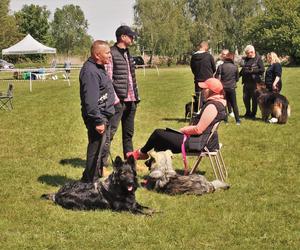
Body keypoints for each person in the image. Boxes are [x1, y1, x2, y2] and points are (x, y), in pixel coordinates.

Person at [127, 78, 226, 160]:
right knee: (162, 140)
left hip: (198, 143)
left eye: (205, 88)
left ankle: (142, 153)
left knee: (158, 134)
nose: (202, 91)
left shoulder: (212, 107)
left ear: (212, 91)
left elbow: (198, 129)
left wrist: (183, 130)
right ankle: (156, 171)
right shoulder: (218, 104)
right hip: (202, 141)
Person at [102, 25, 140, 164]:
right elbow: (108, 80)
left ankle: (129, 162)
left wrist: (136, 97)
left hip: (131, 100)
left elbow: (130, 78)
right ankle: (102, 165)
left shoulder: (127, 53)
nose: (133, 38)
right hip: (118, 101)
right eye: (131, 36)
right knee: (109, 133)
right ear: (123, 37)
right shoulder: (111, 54)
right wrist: (116, 100)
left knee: (128, 134)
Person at [79, 40, 115, 183]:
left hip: (104, 115)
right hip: (97, 118)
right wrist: (98, 121)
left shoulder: (99, 67)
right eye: (107, 53)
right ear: (97, 54)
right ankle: (89, 183)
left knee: (99, 151)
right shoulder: (90, 72)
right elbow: (90, 101)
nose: (110, 56)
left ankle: (91, 178)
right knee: (95, 152)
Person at [239, 45, 264, 119]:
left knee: (254, 99)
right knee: (245, 98)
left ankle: (253, 114)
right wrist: (237, 77)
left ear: (252, 52)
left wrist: (253, 70)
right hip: (246, 82)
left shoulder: (258, 59)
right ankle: (247, 112)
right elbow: (243, 70)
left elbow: (262, 69)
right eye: (246, 53)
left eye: (248, 53)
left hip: (255, 83)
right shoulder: (246, 59)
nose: (247, 54)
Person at [215, 52, 241, 125]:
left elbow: (216, 77)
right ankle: (238, 121)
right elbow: (237, 79)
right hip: (232, 87)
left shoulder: (221, 66)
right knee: (234, 104)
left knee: (224, 104)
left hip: (223, 88)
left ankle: (226, 121)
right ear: (232, 58)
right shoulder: (235, 67)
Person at [190, 41, 216, 112]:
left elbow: (192, 68)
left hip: (198, 80)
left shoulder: (193, 57)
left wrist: (197, 74)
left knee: (198, 97)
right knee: (207, 97)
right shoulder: (209, 56)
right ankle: (207, 112)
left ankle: (198, 112)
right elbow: (214, 68)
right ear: (206, 47)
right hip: (208, 80)